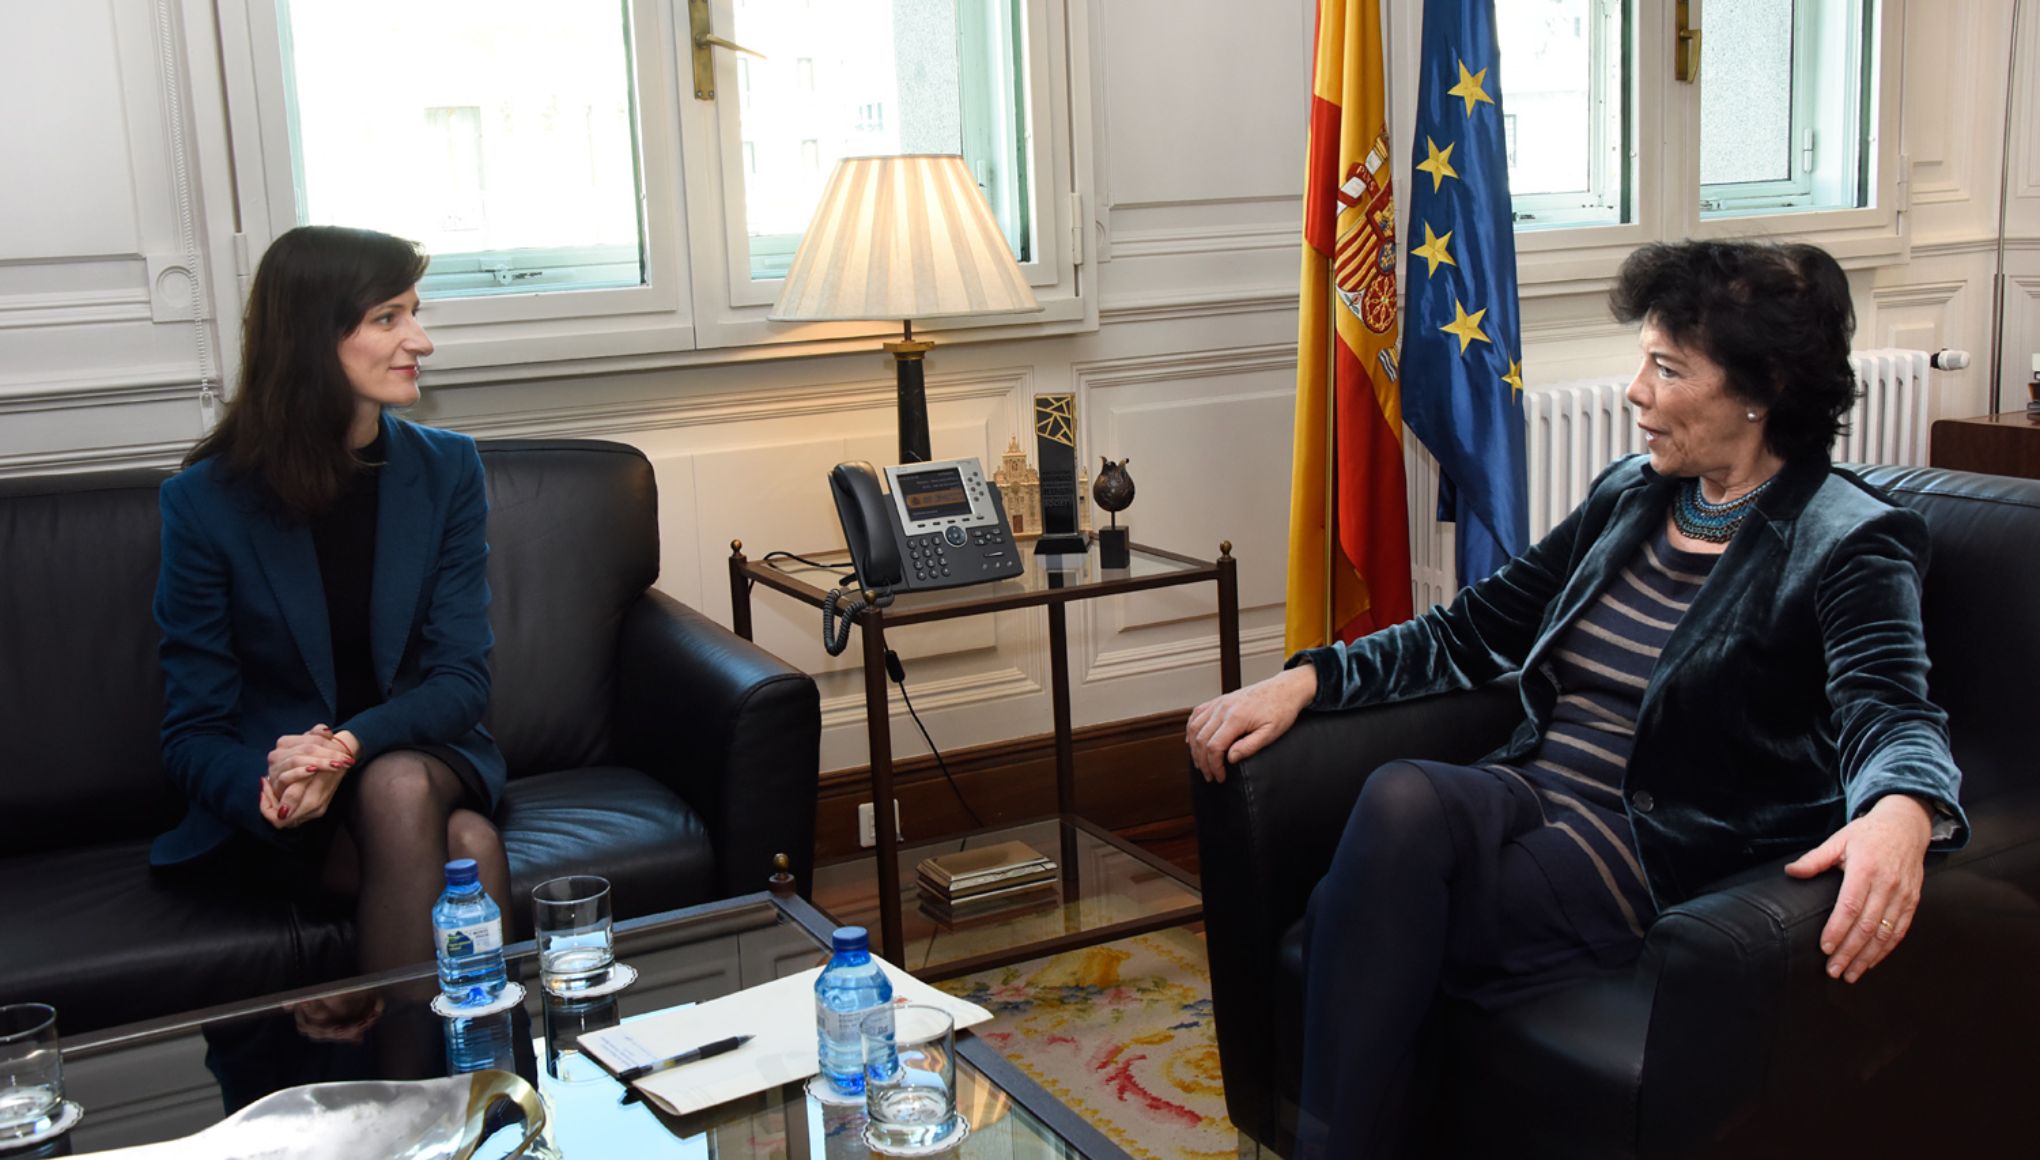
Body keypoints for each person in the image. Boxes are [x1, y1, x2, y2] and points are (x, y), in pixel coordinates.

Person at [1187, 239, 1968, 1156]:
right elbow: (1474, 627)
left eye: (1666, 368)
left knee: (1356, 924)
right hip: (1531, 791)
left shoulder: (1849, 541)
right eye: (1644, 360)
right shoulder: (1634, 495)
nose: (1634, 389)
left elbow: (1892, 709)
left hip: (1645, 846)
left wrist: (1903, 807)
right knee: (1400, 796)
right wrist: (1310, 677)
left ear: (1763, 393)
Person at [151, 225, 510, 983]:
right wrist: (278, 789)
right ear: (312, 337)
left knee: (399, 782)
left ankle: (416, 1096)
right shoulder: (205, 503)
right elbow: (193, 731)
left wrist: (345, 746)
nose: (421, 340)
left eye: (414, 312)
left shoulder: (448, 471)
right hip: (292, 810)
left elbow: (460, 683)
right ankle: (470, 1095)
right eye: (388, 318)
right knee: (469, 849)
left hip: (419, 759)